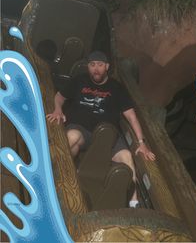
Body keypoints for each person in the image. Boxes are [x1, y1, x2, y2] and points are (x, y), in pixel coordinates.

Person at [47, 50, 155, 208]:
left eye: (99, 65)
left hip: (109, 135)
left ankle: (134, 203)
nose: (95, 68)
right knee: (71, 137)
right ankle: (61, 182)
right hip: (82, 129)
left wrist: (141, 142)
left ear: (107, 67)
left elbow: (132, 117)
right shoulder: (79, 81)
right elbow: (59, 97)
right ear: (88, 67)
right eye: (92, 65)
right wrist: (58, 109)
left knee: (126, 157)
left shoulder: (116, 88)